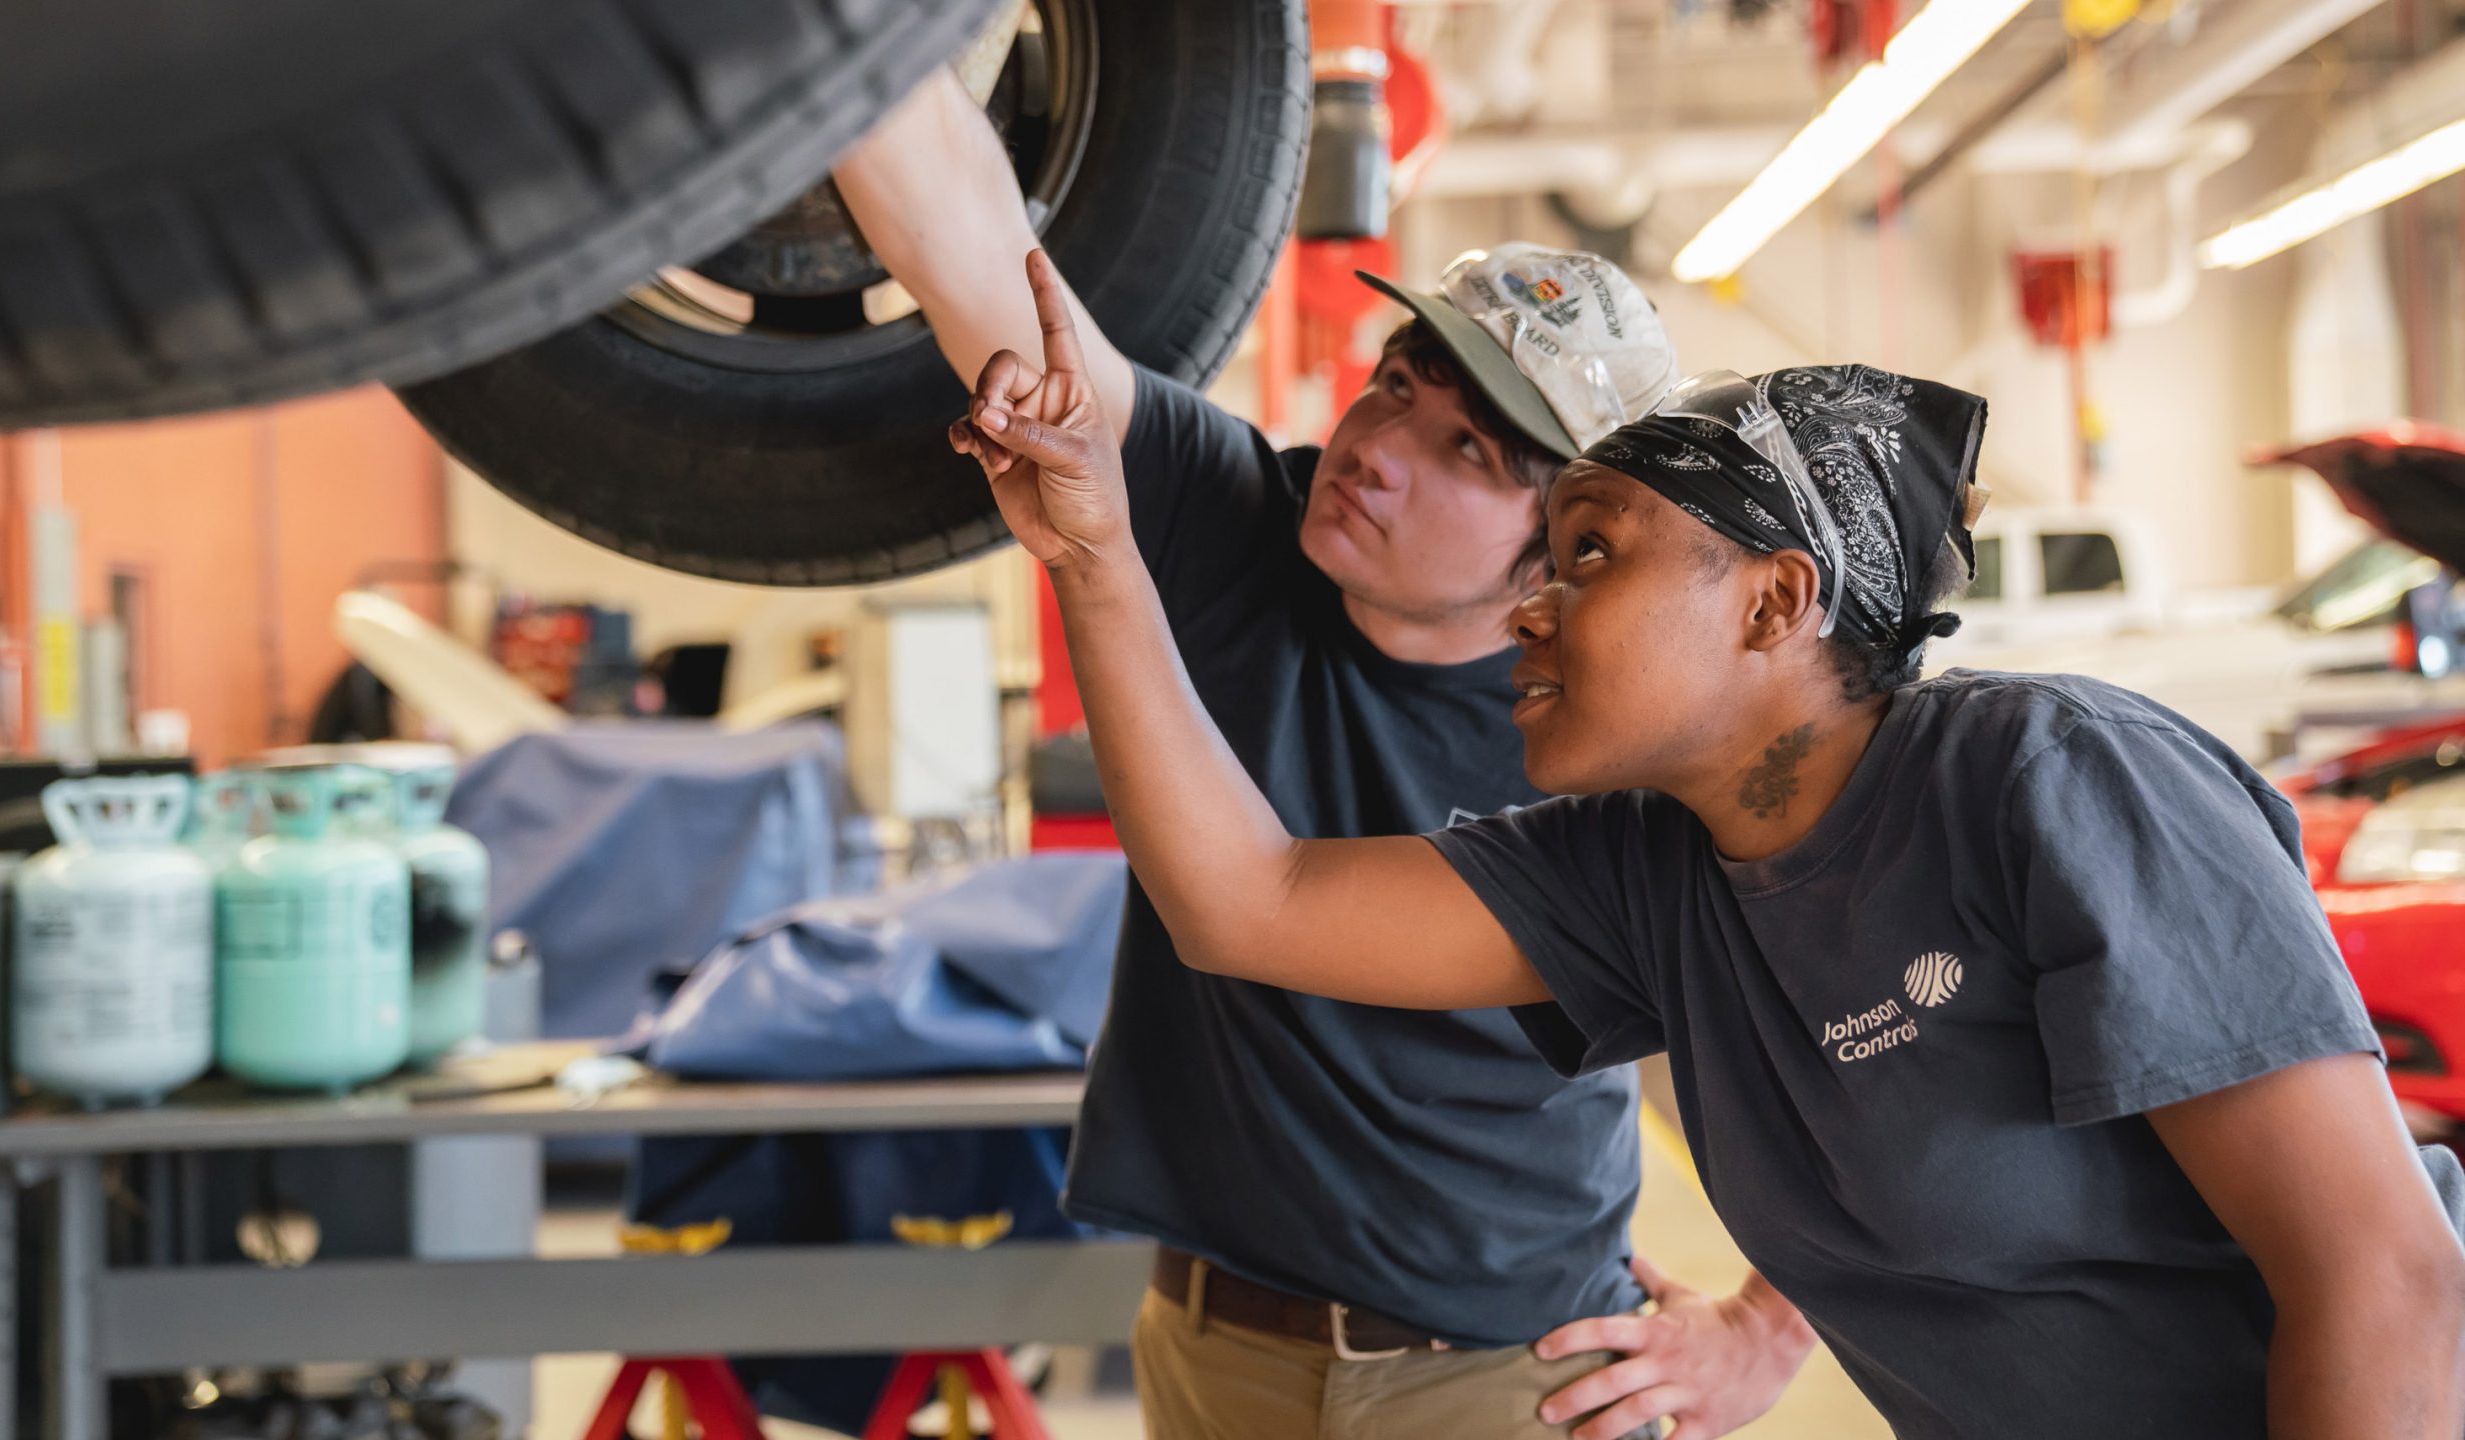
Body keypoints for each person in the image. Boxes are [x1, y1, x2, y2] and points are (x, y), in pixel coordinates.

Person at [956, 250, 2465, 1439]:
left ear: (1771, 602)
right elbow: (1249, 901)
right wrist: (1095, 554)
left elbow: (2387, 1284)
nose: (1531, 605)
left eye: (1591, 552)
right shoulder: (1640, 874)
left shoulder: (2051, 778)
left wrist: (1755, 1332)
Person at [836, 73, 1814, 1440]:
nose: (1376, 449)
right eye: (1397, 386)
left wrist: (1768, 1330)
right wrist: (823, 52)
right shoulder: (1229, 514)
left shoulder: (1619, 737)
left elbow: (1887, 1023)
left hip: (1505, 1379)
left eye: (1466, 448)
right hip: (1211, 1347)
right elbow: (965, 239)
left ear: (1560, 550)